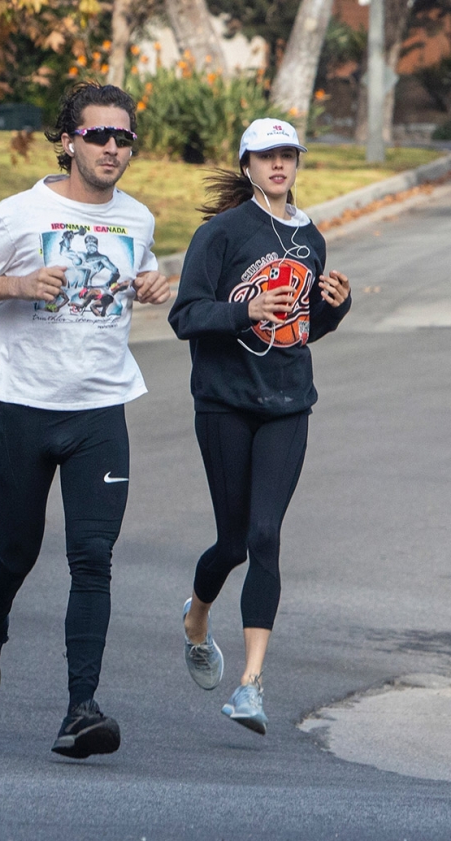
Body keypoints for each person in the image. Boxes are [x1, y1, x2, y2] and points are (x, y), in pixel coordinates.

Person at [0, 82, 169, 759]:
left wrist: (157, 283)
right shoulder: (21, 212)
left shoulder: (138, 220)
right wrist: (16, 284)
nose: (111, 147)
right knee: (17, 550)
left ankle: (81, 709)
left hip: (100, 408)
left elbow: (141, 275)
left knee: (92, 558)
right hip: (24, 407)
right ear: (68, 139)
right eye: (98, 135)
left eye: (122, 137)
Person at [168, 118, 351, 735]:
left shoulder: (312, 237)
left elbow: (302, 330)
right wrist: (244, 311)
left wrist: (334, 308)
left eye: (288, 156)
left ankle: (250, 685)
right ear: (246, 164)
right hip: (224, 402)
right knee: (232, 543)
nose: (279, 166)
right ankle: (196, 619)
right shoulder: (220, 234)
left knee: (266, 535)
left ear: (298, 164)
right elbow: (186, 315)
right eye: (266, 156)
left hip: (288, 402)